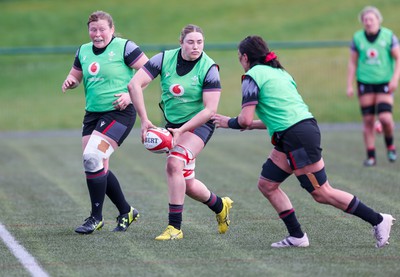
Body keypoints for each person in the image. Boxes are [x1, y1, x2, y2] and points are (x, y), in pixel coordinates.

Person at [212, 35, 395, 248]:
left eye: (239, 57)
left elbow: (243, 120)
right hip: (296, 132)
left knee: (322, 192)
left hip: (296, 136)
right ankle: (297, 236)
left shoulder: (252, 77)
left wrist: (228, 122)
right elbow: (279, 116)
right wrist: (249, 125)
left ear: (245, 57)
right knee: (268, 185)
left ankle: (379, 219)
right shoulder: (280, 73)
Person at [127, 24, 233, 240]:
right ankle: (220, 205)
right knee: (187, 183)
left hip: (199, 125)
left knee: (174, 163)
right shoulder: (164, 59)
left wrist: (182, 130)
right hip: (172, 125)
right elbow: (134, 85)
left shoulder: (209, 67)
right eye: (191, 42)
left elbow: (210, 109)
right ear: (181, 43)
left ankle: (174, 228)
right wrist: (145, 120)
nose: (196, 46)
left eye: (200, 42)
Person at [61, 11, 149, 234]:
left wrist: (130, 95)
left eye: (102, 29)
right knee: (95, 164)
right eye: (93, 29)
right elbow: (76, 76)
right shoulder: (83, 51)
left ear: (111, 29)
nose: (97, 34)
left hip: (119, 113)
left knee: (93, 158)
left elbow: (149, 72)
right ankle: (126, 211)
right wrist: (71, 81)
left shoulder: (125, 47)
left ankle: (95, 217)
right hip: (92, 115)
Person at [347, 6, 400, 167]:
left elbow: (398, 59)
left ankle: (390, 145)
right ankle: (371, 156)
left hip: (384, 82)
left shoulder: (388, 36)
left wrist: (394, 79)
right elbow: (352, 62)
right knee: (368, 120)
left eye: (371, 19)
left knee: (385, 118)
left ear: (378, 20)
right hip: (365, 82)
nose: (368, 23)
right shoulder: (358, 38)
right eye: (365, 20)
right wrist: (349, 84)